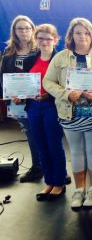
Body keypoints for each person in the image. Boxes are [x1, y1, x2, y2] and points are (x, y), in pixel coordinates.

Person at [43, 18, 92, 210]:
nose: (83, 37)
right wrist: (66, 94)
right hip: (70, 115)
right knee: (77, 153)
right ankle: (79, 190)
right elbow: (48, 82)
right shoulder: (60, 57)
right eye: (78, 33)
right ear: (71, 35)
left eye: (86, 33)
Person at [23, 24, 67, 201]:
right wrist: (20, 95)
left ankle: (59, 182)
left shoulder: (61, 59)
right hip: (33, 107)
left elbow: (65, 85)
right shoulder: (30, 60)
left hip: (53, 106)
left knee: (54, 144)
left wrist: (47, 95)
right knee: (41, 144)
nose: (44, 41)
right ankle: (49, 181)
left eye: (48, 38)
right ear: (36, 39)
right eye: (40, 38)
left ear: (56, 40)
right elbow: (25, 83)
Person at [0, 15, 43, 183]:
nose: (24, 31)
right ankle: (37, 167)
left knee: (47, 133)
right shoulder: (8, 53)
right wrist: (12, 95)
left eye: (27, 28)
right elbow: (3, 77)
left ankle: (54, 167)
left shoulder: (40, 49)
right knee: (30, 132)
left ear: (33, 30)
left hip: (38, 99)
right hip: (17, 100)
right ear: (14, 32)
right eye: (20, 28)